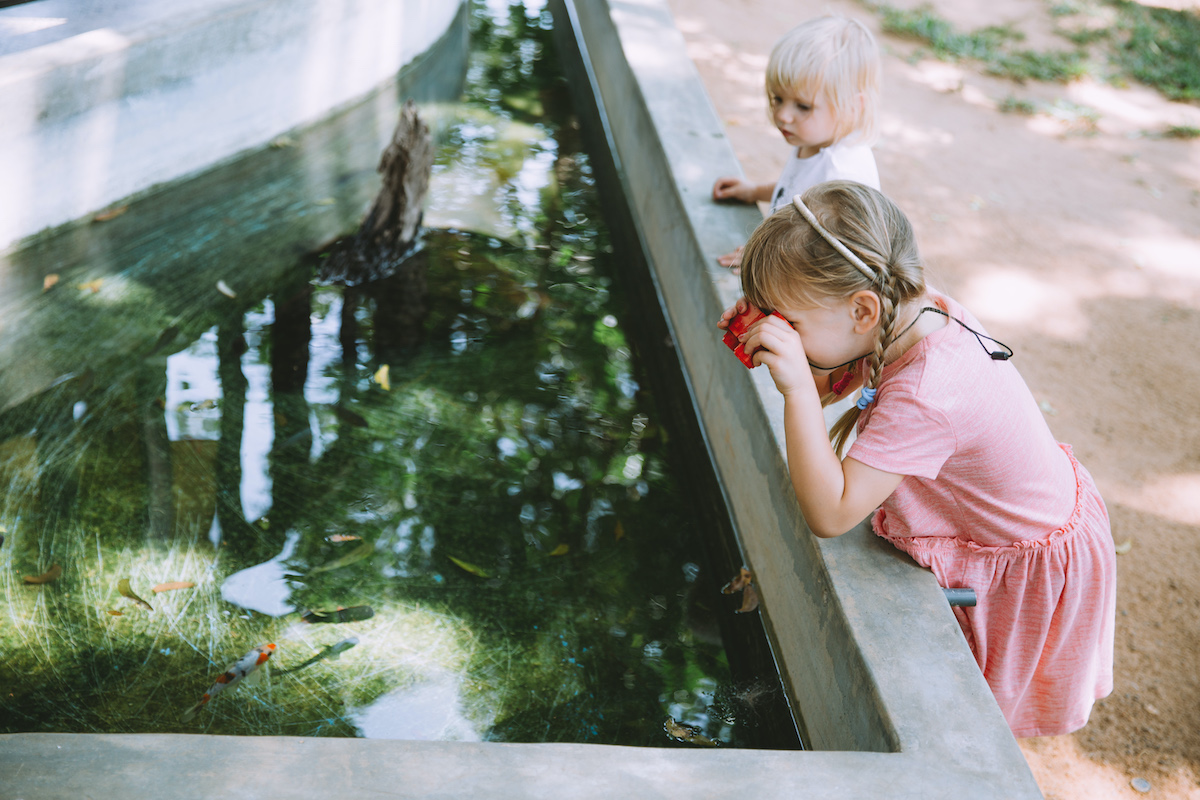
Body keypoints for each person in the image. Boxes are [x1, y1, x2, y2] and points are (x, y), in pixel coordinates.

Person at [718, 180, 1116, 738]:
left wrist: (799, 393)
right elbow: (849, 373)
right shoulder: (913, 308)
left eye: (791, 323)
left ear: (861, 309)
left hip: (1023, 560)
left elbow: (831, 514)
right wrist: (791, 341)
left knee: (971, 730)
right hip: (1048, 508)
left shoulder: (927, 393)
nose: (782, 334)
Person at [712, 15, 881, 270]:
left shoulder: (841, 173)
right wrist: (754, 191)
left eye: (803, 106)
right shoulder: (816, 140)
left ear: (852, 107)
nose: (782, 115)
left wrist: (764, 257)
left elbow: (828, 252)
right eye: (777, 98)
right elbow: (799, 194)